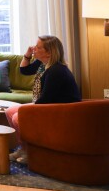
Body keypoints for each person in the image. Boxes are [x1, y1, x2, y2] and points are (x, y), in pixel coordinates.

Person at [6, 35, 81, 164]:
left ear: (49, 52)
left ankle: (32, 152)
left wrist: (26, 110)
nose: (34, 48)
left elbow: (44, 101)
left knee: (17, 117)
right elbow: (24, 70)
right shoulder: (45, 64)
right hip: (51, 106)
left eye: (38, 47)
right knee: (10, 111)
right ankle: (24, 148)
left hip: (61, 112)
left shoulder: (56, 71)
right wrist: (28, 55)